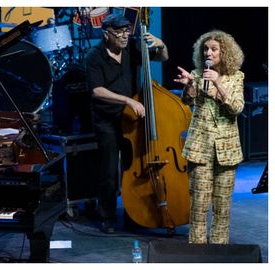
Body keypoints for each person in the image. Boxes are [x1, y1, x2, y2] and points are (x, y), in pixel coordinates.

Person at [85, 14, 168, 233]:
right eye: (119, 32)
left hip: (130, 119)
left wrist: (161, 45)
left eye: (126, 31)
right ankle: (107, 216)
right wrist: (128, 99)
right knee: (109, 170)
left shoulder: (131, 47)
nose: (124, 36)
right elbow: (96, 90)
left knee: (132, 167)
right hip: (107, 119)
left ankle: (134, 213)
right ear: (106, 34)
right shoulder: (94, 56)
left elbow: (162, 58)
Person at [174, 30, 245, 244]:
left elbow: (237, 108)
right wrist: (188, 86)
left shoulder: (236, 77)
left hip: (227, 149)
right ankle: (197, 253)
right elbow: (188, 101)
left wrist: (217, 84)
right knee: (199, 206)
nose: (209, 53)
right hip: (200, 147)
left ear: (225, 53)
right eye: (206, 49)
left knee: (222, 208)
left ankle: (219, 253)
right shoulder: (197, 74)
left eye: (214, 49)